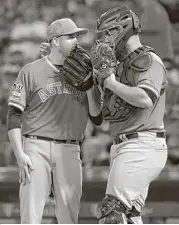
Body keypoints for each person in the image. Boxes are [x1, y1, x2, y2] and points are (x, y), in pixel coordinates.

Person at [7, 18, 101, 224]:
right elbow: (13, 114)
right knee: (30, 216)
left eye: (77, 36)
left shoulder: (86, 72)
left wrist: (90, 86)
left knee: (69, 216)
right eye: (70, 36)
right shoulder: (30, 71)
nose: (76, 40)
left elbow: (97, 118)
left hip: (70, 148)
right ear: (55, 41)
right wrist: (19, 153)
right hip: (35, 146)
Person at [92, 5, 168, 224]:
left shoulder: (149, 60)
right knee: (130, 216)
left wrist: (111, 83)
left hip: (141, 145)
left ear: (122, 30)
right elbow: (100, 116)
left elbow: (145, 98)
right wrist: (92, 86)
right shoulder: (118, 66)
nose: (105, 41)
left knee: (111, 213)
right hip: (124, 147)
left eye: (108, 33)